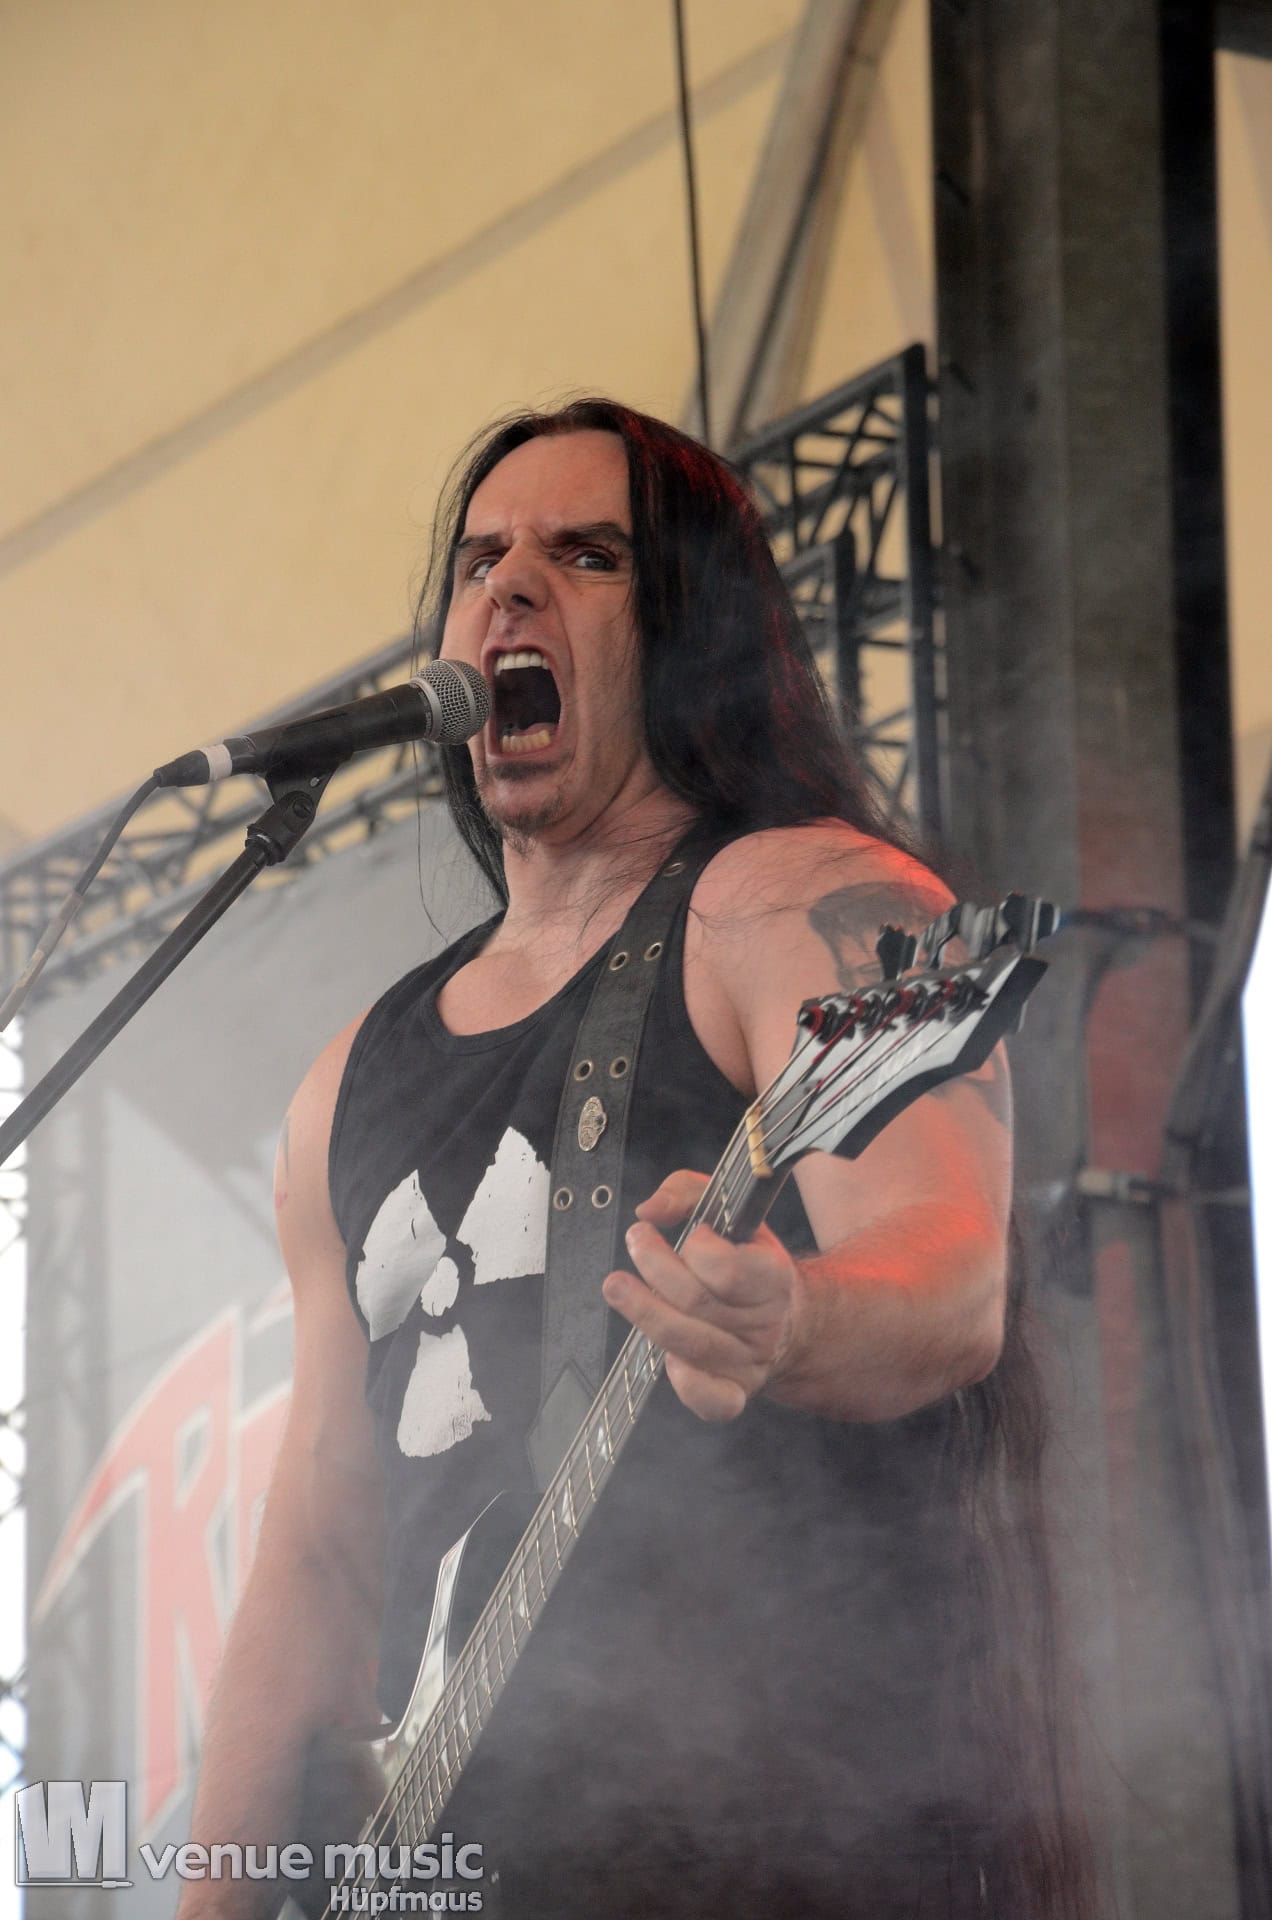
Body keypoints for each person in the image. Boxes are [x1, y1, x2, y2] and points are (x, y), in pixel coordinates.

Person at [179, 400, 1092, 1919]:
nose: (511, 588)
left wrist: (796, 1317)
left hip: (773, 1844)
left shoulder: (793, 904)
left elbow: (950, 1279)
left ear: (694, 635)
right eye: (480, 559)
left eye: (587, 555)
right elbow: (318, 1550)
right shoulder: (345, 1081)